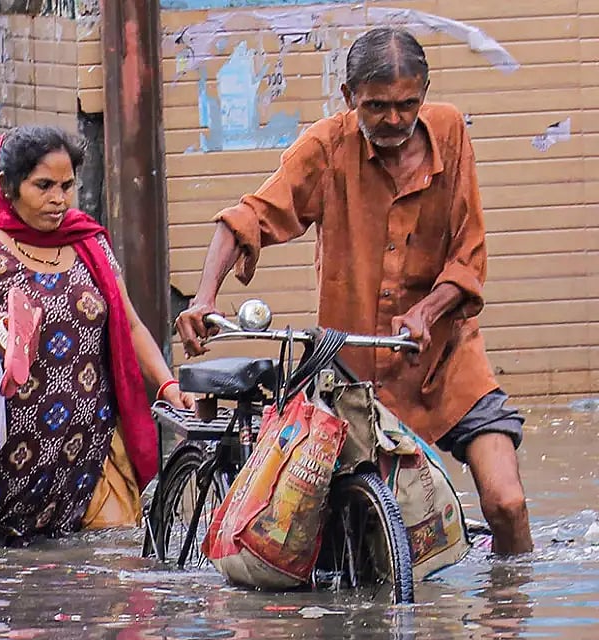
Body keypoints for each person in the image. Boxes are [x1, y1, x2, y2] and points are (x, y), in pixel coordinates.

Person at [174, 27, 532, 554]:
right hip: (354, 376)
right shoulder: (325, 147)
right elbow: (246, 218)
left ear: (425, 94)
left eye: (408, 104)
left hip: (444, 362)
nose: (394, 119)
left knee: (506, 504)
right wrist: (203, 298)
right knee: (346, 537)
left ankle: (510, 618)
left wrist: (428, 312)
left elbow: (468, 255)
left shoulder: (451, 133)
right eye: (377, 106)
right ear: (349, 99)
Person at [0, 125, 192, 547]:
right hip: (14, 455)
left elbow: (130, 325)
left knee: (114, 565)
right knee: (26, 579)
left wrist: (168, 384)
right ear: (8, 186)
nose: (59, 199)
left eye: (67, 186)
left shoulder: (90, 245)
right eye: (44, 186)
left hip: (96, 443)